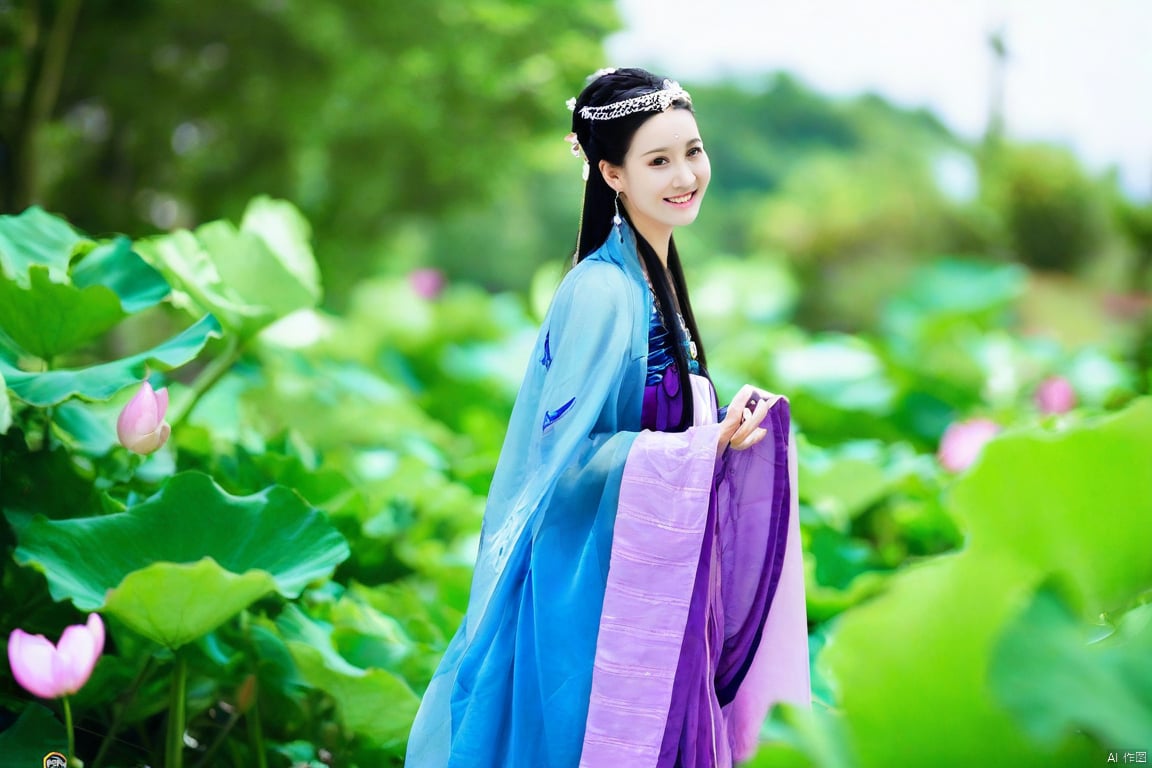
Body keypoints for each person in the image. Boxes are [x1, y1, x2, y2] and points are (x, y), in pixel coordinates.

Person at [406, 67, 810, 768]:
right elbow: (563, 463)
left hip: (647, 591)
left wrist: (722, 438)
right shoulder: (600, 291)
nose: (685, 174)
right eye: (658, 160)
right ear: (611, 173)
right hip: (591, 608)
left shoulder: (652, 281)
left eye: (693, 150)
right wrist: (698, 449)